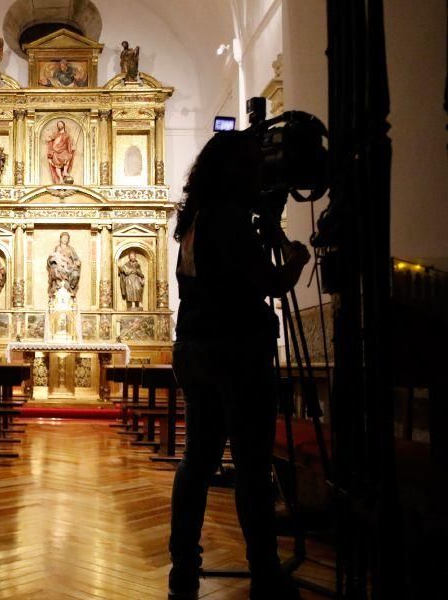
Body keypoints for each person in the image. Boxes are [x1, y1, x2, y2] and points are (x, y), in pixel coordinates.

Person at [168, 131, 310, 600]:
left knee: (197, 460)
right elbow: (270, 281)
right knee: (251, 464)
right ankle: (265, 572)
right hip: (235, 351)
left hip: (195, 349)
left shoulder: (193, 220)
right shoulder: (228, 218)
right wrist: (294, 253)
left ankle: (183, 567)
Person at [46, 231, 81, 299]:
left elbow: (76, 259)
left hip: (70, 267)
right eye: (63, 238)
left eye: (66, 238)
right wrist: (52, 260)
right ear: (60, 239)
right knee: (56, 270)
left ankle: (70, 288)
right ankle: (62, 287)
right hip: (60, 267)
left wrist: (77, 262)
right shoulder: (57, 248)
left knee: (75, 274)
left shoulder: (71, 249)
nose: (65, 239)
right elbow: (52, 258)